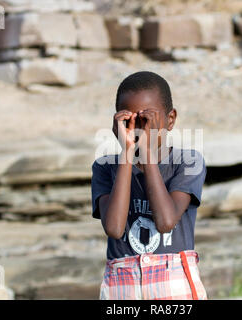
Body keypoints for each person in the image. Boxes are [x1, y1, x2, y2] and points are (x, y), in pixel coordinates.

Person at [91, 71, 208, 300]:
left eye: (147, 121)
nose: (139, 130)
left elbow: (166, 222)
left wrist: (146, 153)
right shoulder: (105, 167)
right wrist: (127, 153)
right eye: (131, 121)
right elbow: (114, 228)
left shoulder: (187, 162)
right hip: (122, 290)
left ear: (170, 120)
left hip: (174, 287)